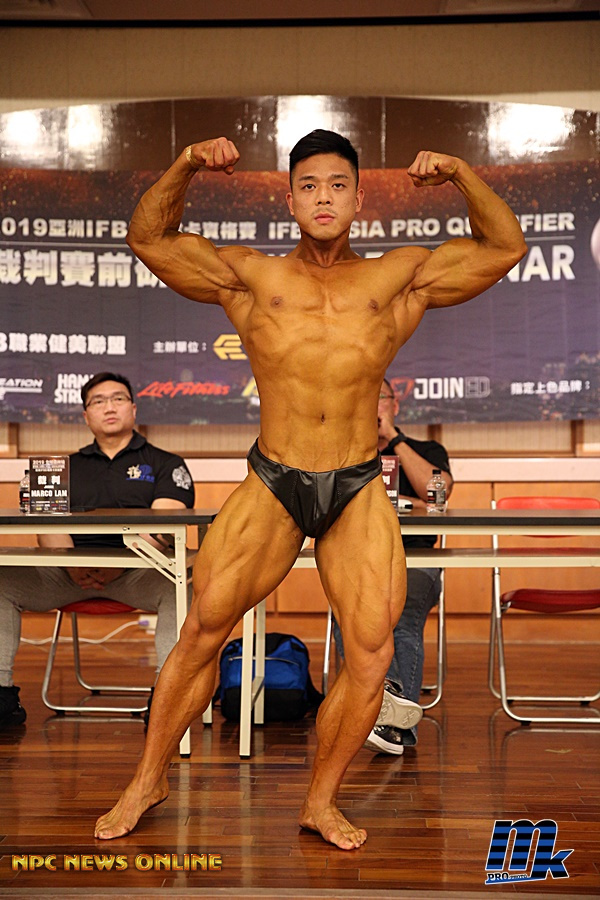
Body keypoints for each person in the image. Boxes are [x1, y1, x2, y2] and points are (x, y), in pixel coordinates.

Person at [94, 132, 526, 850]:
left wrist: (458, 172)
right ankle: (148, 779)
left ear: (358, 198)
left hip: (356, 481)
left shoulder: (398, 277)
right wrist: (187, 164)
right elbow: (149, 238)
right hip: (275, 475)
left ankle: (320, 801)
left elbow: (504, 247)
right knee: (202, 630)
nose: (323, 197)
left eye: (337, 185)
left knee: (372, 653)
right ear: (290, 199)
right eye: (309, 186)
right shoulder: (251, 277)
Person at [0, 372, 194, 732]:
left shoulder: (167, 463)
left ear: (134, 409)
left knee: (180, 587)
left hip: (139, 572)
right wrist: (74, 566)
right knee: (3, 582)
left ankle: (168, 697)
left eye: (118, 399)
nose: (109, 407)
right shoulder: (61, 468)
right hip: (69, 573)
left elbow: (166, 525)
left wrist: (117, 566)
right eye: (98, 401)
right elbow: (45, 526)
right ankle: (1, 696)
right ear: (85, 415)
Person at [332, 376, 453, 756]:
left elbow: (439, 493)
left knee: (400, 616)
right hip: (360, 561)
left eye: (380, 397)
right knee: (349, 611)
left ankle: (391, 722)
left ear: (395, 404)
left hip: (417, 559)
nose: (373, 405)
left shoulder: (426, 449)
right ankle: (388, 713)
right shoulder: (346, 453)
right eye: (365, 397)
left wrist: (394, 439)